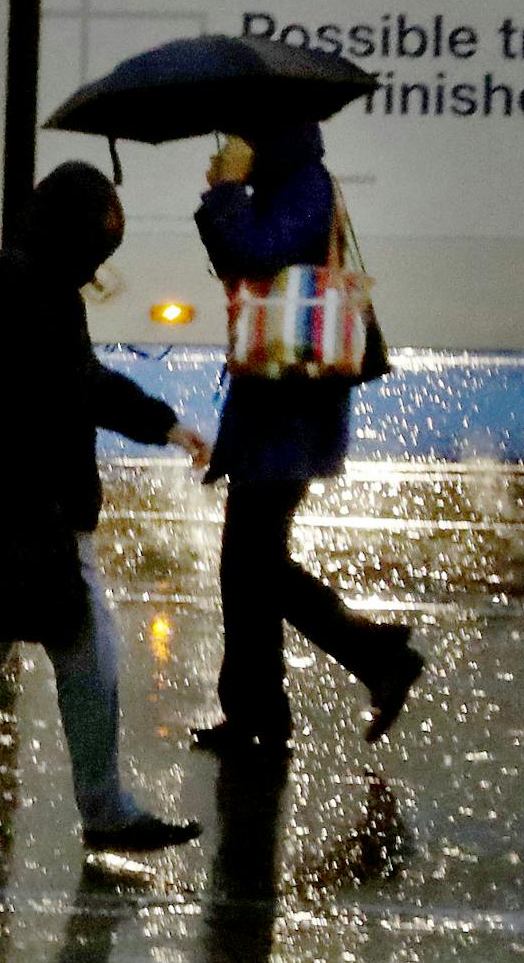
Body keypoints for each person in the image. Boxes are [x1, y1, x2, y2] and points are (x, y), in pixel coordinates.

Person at [0, 161, 208, 854]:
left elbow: (64, 381)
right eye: (96, 244)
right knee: (86, 651)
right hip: (31, 510)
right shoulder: (21, 286)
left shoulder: (26, 279)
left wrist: (160, 423)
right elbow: (75, 384)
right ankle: (105, 808)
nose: (96, 265)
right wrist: (162, 422)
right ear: (71, 232)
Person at [192, 122, 425, 759]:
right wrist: (227, 193)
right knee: (245, 568)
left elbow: (260, 253)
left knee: (254, 565)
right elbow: (237, 265)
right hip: (273, 398)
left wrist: (228, 194)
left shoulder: (303, 183)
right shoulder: (280, 180)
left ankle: (377, 654)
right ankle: (256, 716)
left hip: (290, 403)